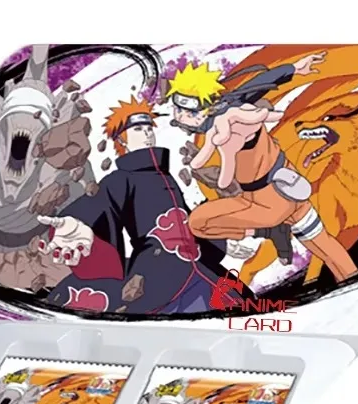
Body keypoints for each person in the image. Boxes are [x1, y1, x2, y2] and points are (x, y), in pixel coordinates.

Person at [36, 96, 249, 314]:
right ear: (122, 140)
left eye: (149, 128)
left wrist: (215, 215)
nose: (147, 134)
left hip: (194, 264)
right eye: (137, 129)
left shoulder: (166, 176)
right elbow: (96, 204)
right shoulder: (120, 179)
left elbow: (182, 218)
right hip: (155, 272)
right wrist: (77, 223)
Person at [167, 56, 358, 281]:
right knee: (323, 244)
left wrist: (217, 160)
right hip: (289, 184)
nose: (181, 118)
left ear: (207, 109)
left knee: (198, 223)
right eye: (178, 110)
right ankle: (353, 277)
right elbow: (258, 83)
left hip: (266, 204)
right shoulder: (232, 104)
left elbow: (224, 180)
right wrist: (293, 68)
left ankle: (268, 230)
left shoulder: (229, 126)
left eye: (189, 113)